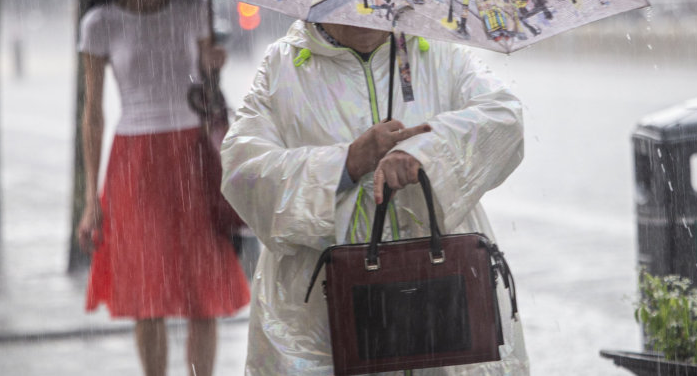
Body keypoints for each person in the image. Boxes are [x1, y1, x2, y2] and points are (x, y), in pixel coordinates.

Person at [221, 20, 529, 375]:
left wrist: (426, 153)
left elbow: (503, 116)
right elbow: (244, 169)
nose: (364, 16)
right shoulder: (283, 66)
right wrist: (346, 162)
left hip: (445, 289)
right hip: (324, 305)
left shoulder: (441, 52)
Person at [76, 0, 250, 376]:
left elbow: (208, 90)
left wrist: (212, 64)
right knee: (144, 292)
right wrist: (90, 198)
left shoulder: (194, 12)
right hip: (134, 163)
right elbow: (93, 114)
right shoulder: (101, 22)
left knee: (201, 290)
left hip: (192, 158)